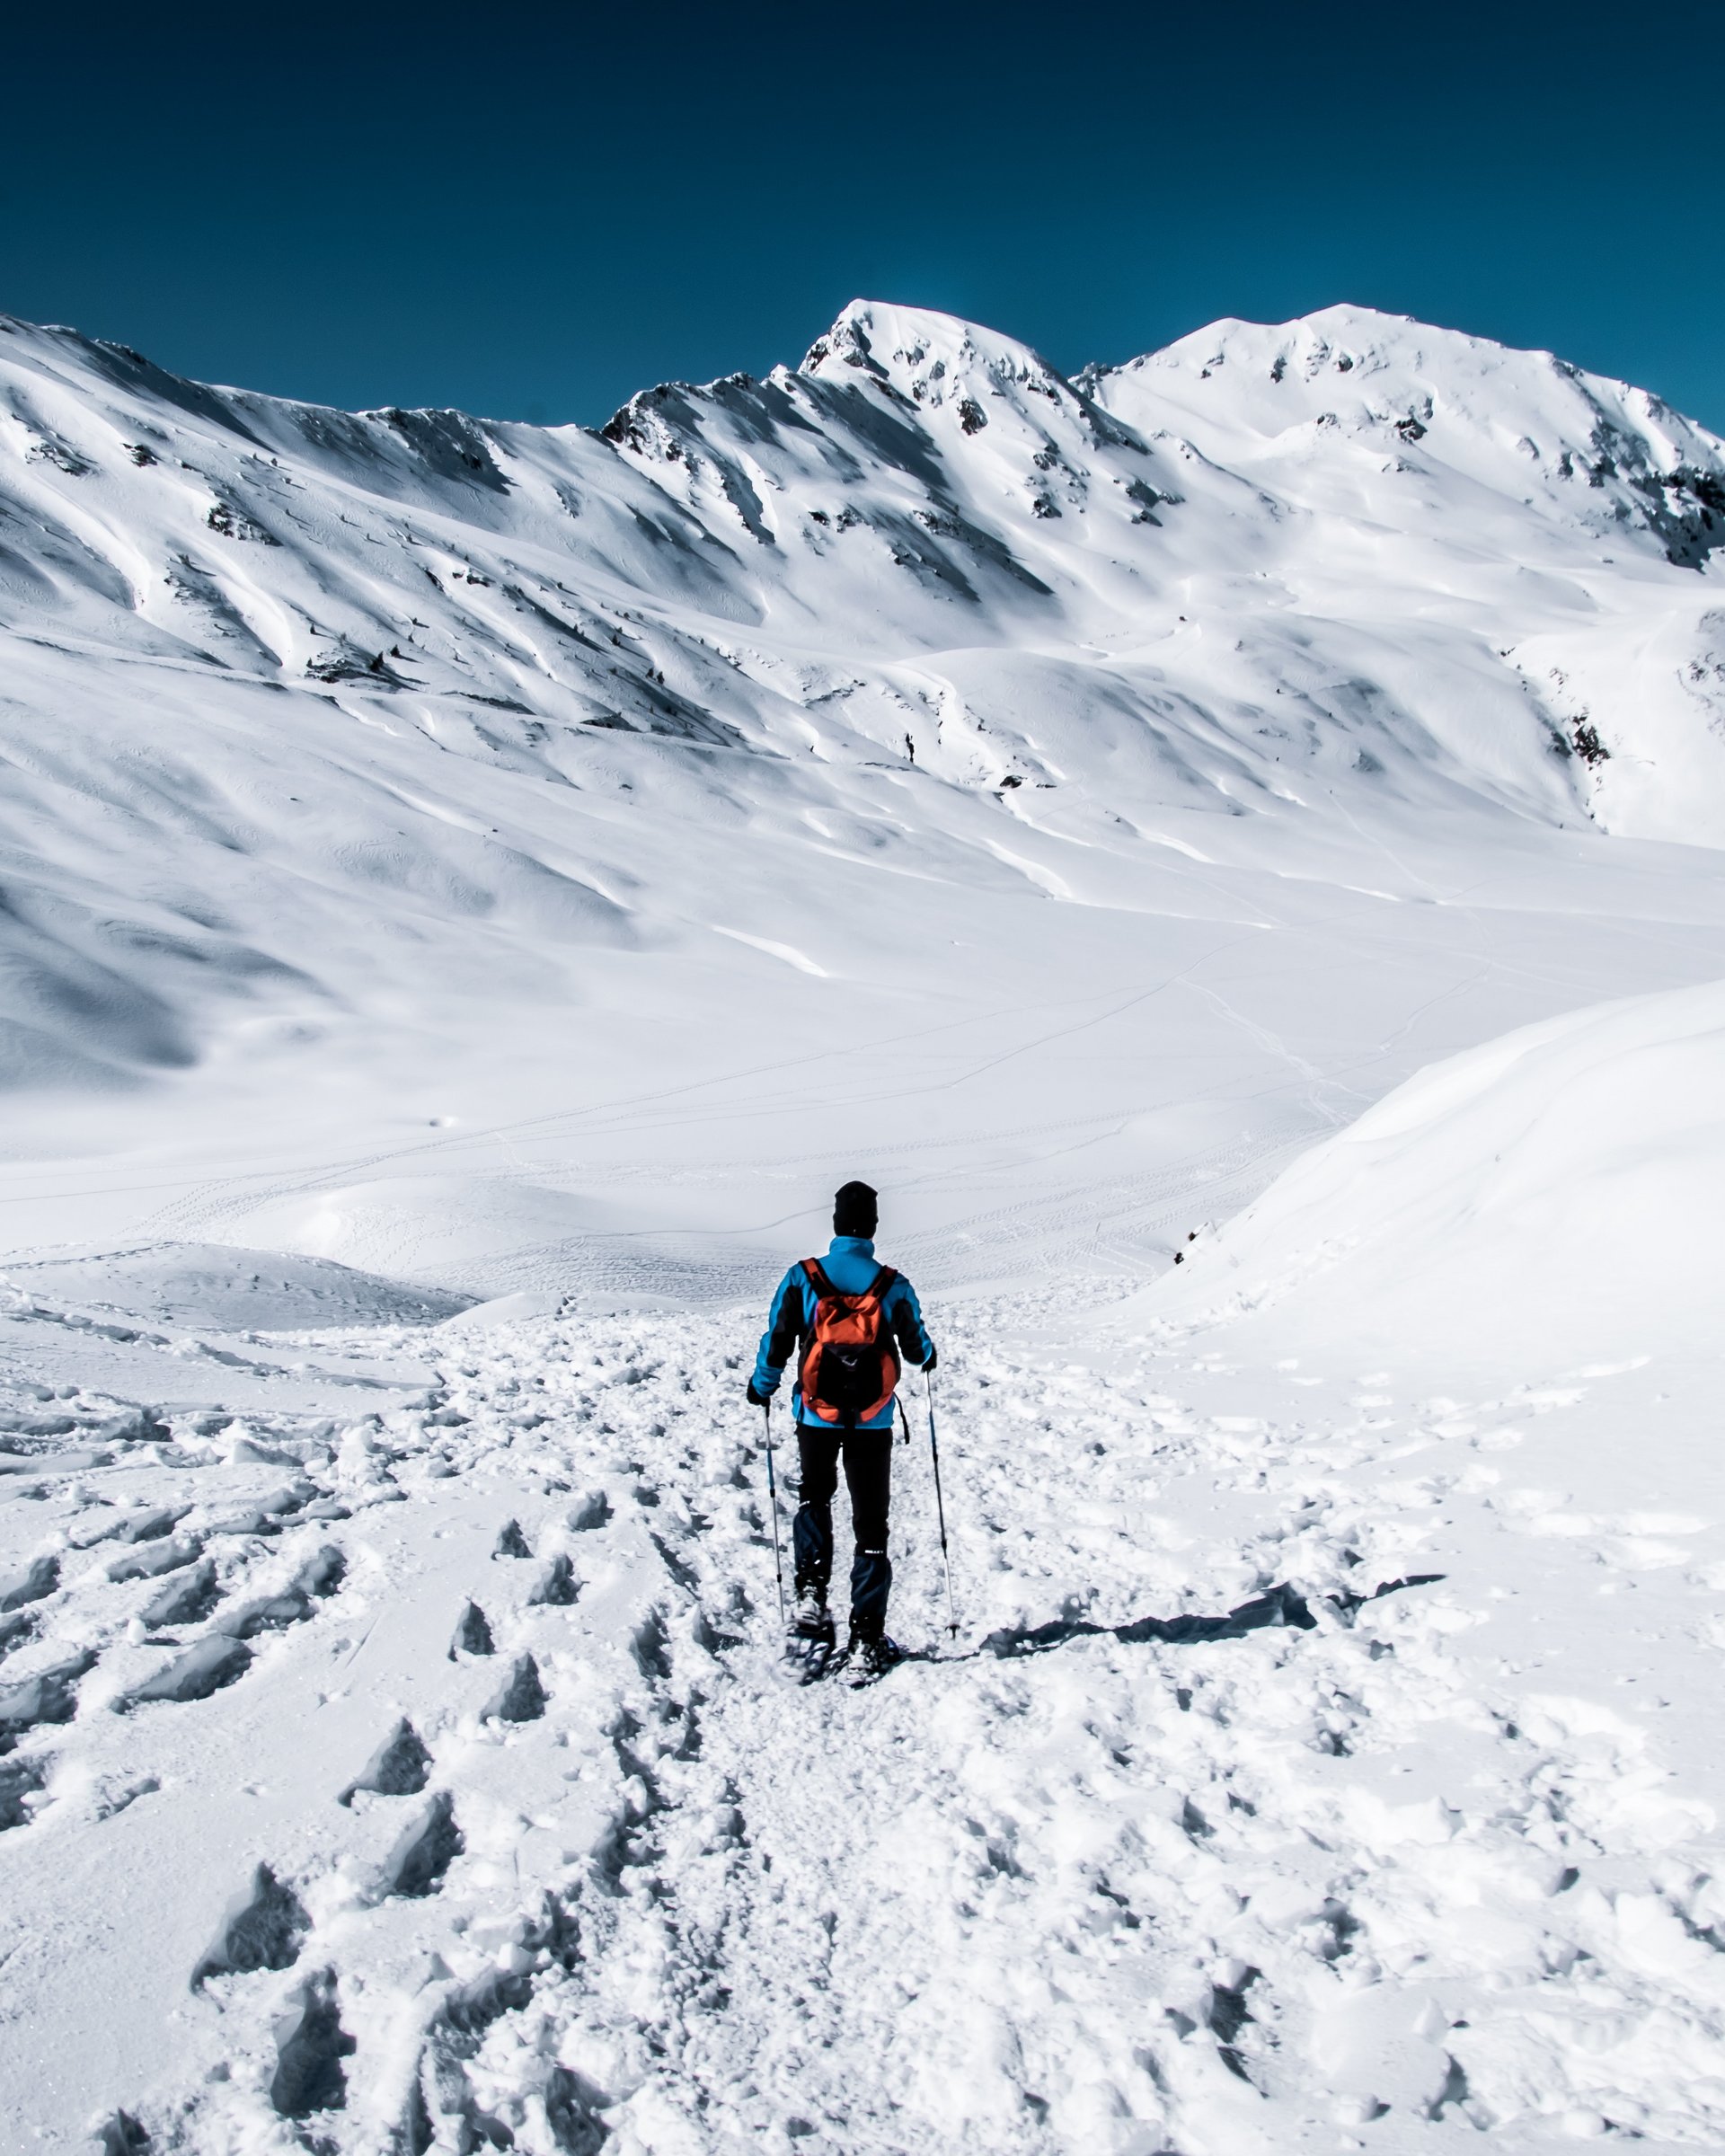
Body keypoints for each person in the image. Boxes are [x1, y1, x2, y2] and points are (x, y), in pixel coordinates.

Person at [747, 1179, 935, 1674]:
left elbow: (778, 1338)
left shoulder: (803, 1277)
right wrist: (929, 1354)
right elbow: (917, 1349)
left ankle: (811, 1596)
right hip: (873, 1420)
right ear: (872, 1226)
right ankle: (866, 1640)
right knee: (871, 1524)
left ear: (835, 1224)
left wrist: (762, 1385)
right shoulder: (892, 1284)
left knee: (815, 1496)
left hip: (816, 1413)